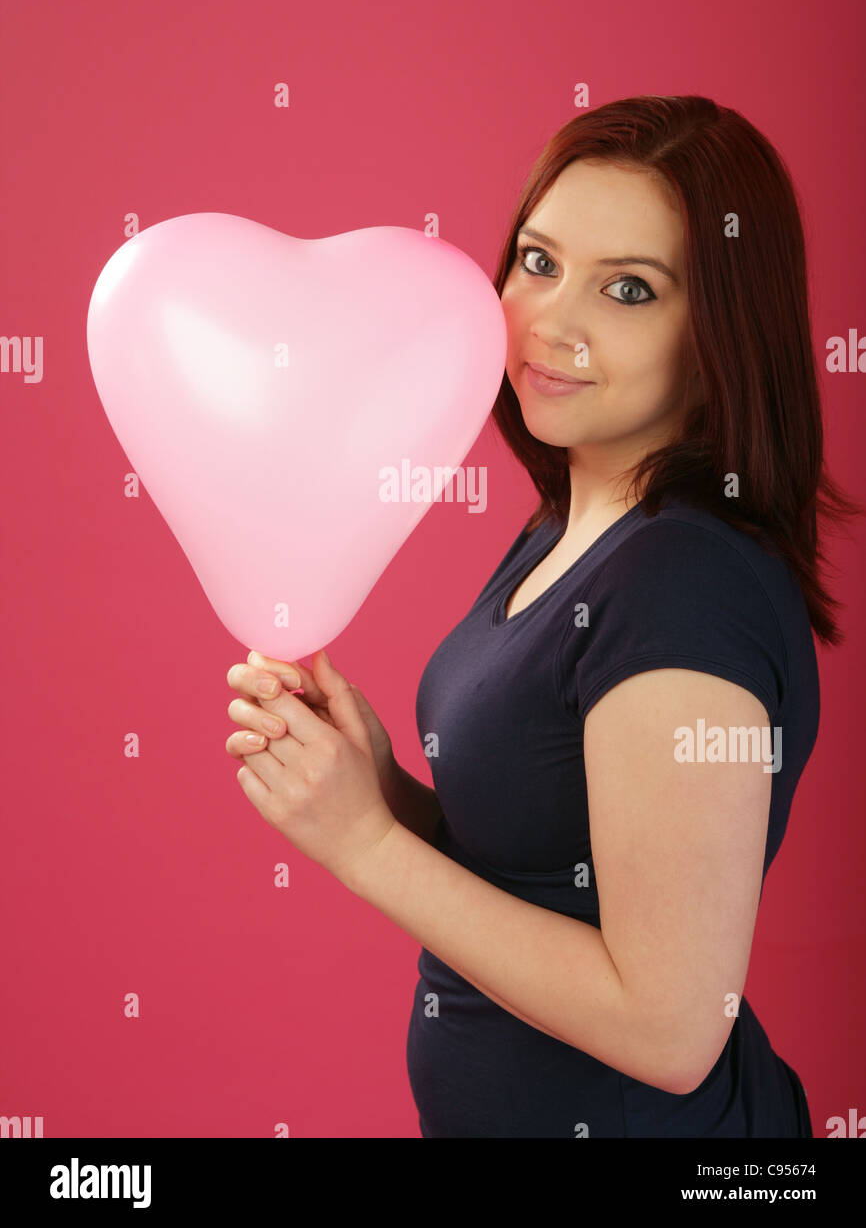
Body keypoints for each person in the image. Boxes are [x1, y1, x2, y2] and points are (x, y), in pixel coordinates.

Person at [226, 95, 859, 1137]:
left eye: (626, 288)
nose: (551, 321)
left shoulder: (679, 587)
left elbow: (668, 1028)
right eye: (536, 262)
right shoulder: (576, 520)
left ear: (717, 331)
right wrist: (377, 789)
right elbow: (546, 873)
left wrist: (362, 847)